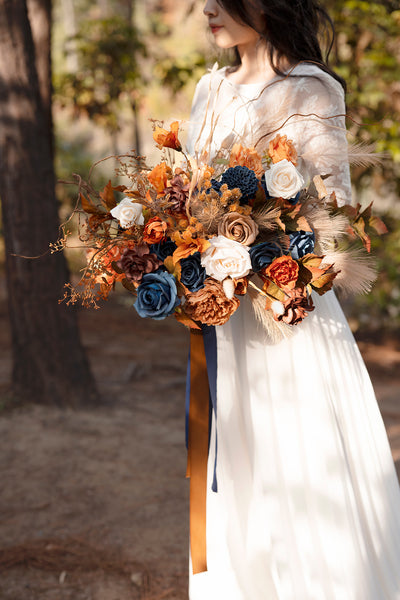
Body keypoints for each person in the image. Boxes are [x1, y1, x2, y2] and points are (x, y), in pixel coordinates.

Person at [186, 1, 400, 599]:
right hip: (224, 314)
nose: (207, 7)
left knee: (300, 465)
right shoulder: (209, 88)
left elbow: (334, 213)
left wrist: (291, 282)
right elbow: (189, 198)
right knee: (243, 467)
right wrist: (179, 259)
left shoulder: (311, 89)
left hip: (288, 311)